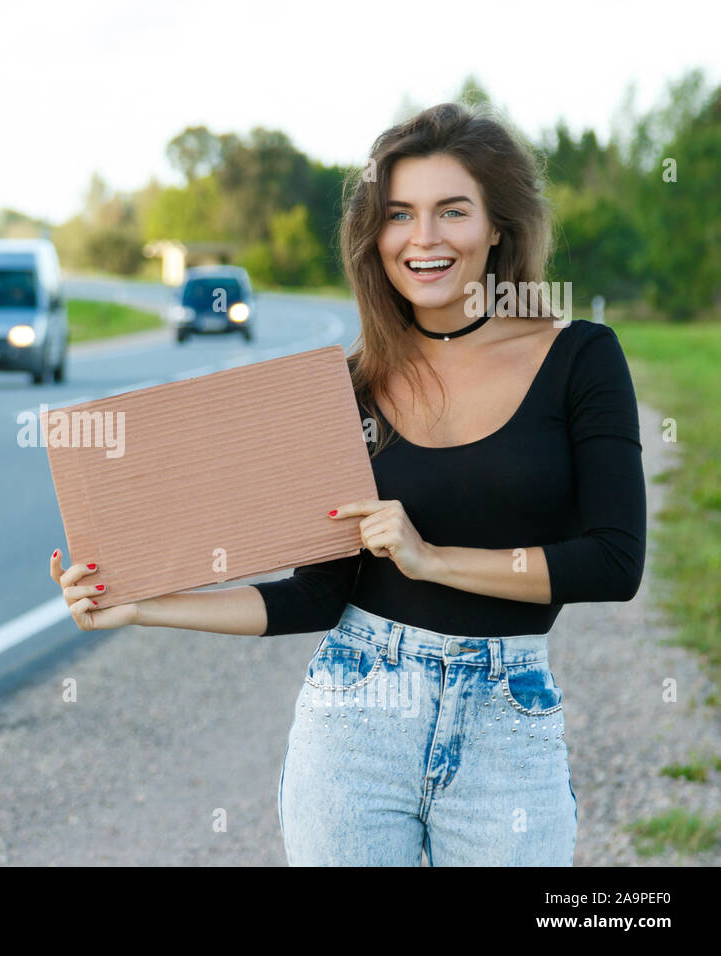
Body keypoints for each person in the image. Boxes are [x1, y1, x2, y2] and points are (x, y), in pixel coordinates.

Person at [48, 102, 646, 866]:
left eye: (451, 211)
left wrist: (430, 558)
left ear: (498, 226)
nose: (423, 239)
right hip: (356, 717)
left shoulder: (581, 358)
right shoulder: (347, 389)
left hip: (509, 719)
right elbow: (314, 596)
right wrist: (143, 603)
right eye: (400, 214)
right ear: (376, 235)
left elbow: (614, 562)